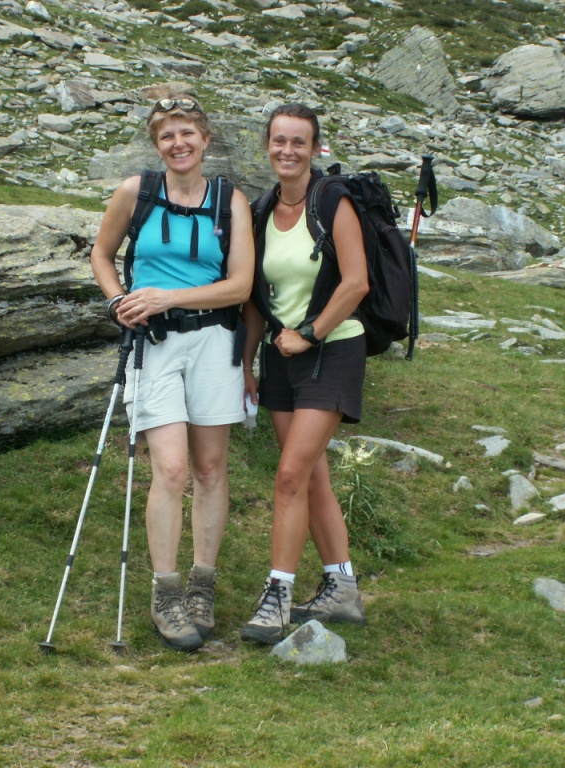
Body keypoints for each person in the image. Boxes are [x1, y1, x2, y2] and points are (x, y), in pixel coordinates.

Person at [90, 94, 254, 651]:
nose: (178, 144)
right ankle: (166, 592)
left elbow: (240, 286)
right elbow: (102, 255)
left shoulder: (230, 201)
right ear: (157, 145)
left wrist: (168, 297)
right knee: (172, 468)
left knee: (210, 468)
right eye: (167, 136)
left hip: (214, 340)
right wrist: (119, 301)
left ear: (205, 140)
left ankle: (202, 585)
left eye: (187, 133)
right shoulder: (135, 192)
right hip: (153, 343)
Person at [240, 103, 369, 644]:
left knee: (291, 476)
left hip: (332, 349)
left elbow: (356, 282)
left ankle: (278, 596)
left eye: (299, 142)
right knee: (312, 476)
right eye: (279, 141)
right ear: (267, 146)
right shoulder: (261, 210)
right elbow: (256, 297)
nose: (287, 151)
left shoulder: (333, 200)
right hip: (279, 358)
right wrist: (248, 361)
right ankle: (342, 589)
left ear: (316, 149)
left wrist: (311, 333)